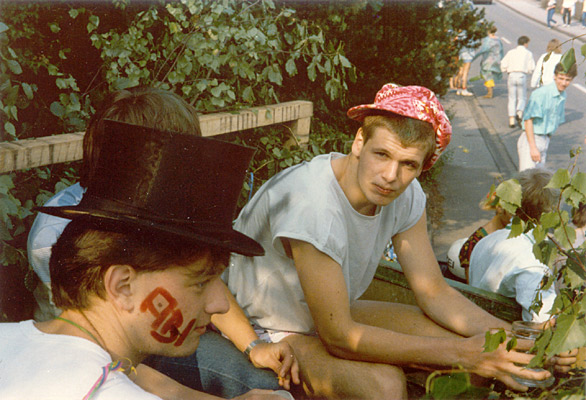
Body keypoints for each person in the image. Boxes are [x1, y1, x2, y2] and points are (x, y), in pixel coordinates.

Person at [210, 83, 576, 398]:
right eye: (382, 154)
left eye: (408, 164)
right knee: (385, 386)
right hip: (268, 325)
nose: (390, 176)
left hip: (331, 310)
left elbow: (433, 291)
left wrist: (516, 339)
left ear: (422, 166)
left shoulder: (406, 194)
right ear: (359, 142)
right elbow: (338, 336)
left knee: (462, 345)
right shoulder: (313, 205)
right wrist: (463, 353)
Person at [25, 87, 299, 398]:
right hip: (103, 355)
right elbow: (109, 358)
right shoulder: (59, 236)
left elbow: (201, 281)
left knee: (266, 384)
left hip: (160, 331)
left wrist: (253, 345)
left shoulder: (169, 208)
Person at [469, 168, 558, 323]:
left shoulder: (487, 240)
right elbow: (543, 322)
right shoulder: (532, 262)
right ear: (552, 211)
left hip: (476, 320)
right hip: (502, 331)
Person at [517, 62, 577, 171]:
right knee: (527, 177)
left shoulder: (562, 95)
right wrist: (533, 147)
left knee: (539, 178)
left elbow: (554, 121)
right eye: (561, 78)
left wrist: (547, 139)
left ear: (572, 80)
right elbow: (528, 120)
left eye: (567, 80)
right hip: (532, 139)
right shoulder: (541, 94)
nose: (563, 83)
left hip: (544, 140)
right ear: (554, 76)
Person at [446, 188, 512, 283]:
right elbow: (473, 287)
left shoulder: (511, 234)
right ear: (500, 208)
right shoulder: (473, 245)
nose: (520, 219)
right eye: (514, 212)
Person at [500, 36, 535, 128]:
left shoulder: (511, 52)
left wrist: (505, 69)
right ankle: (519, 112)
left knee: (512, 98)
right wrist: (528, 71)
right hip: (521, 75)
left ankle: (511, 120)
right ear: (525, 43)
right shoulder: (528, 53)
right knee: (522, 97)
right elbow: (531, 67)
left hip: (511, 75)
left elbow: (503, 64)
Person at [473, 25, 504, 99]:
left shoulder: (487, 39)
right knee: (491, 76)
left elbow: (483, 50)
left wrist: (474, 58)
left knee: (487, 76)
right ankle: (490, 91)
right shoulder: (498, 39)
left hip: (488, 60)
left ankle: (489, 93)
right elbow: (501, 50)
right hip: (497, 60)